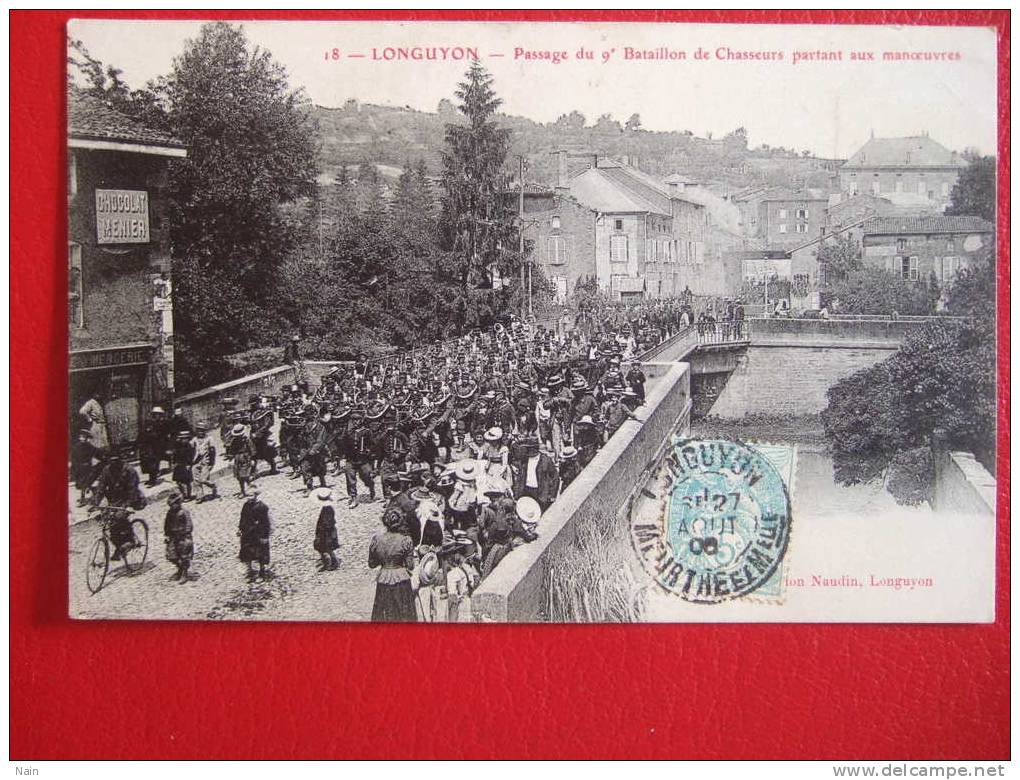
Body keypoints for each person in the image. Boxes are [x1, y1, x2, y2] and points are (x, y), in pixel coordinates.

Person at [91, 453, 146, 560]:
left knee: (120, 517)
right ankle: (119, 546)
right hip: (114, 500)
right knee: (107, 521)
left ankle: (131, 540)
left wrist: (127, 505)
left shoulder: (130, 471)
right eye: (111, 461)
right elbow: (101, 487)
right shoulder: (107, 470)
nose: (113, 463)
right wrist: (95, 504)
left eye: (116, 461)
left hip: (130, 498)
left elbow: (132, 489)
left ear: (121, 460)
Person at [368, 508, 417, 622]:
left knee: (383, 613)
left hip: (383, 579)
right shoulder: (406, 540)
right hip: (401, 579)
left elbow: (371, 564)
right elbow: (410, 566)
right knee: (404, 615)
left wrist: (384, 559)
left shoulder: (376, 539)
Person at [238, 488, 272, 581]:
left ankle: (262, 571)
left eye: (251, 495)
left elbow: (266, 523)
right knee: (247, 550)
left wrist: (265, 536)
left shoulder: (262, 507)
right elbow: (242, 518)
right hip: (247, 533)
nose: (249, 498)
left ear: (256, 495)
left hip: (258, 533)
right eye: (247, 496)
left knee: (260, 552)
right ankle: (249, 569)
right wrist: (240, 529)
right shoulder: (246, 505)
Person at [163, 490, 194, 583]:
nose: (172, 507)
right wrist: (167, 534)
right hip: (173, 537)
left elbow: (189, 525)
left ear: (179, 503)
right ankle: (179, 568)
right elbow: (167, 524)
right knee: (172, 555)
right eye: (171, 505)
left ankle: (184, 573)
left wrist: (185, 534)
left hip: (183, 537)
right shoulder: (170, 513)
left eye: (174, 505)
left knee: (184, 556)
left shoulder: (184, 512)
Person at [70, 428, 100, 506]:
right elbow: (73, 458)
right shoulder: (76, 447)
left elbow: (97, 453)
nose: (82, 438)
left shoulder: (89, 446)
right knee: (84, 484)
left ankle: (86, 499)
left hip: (88, 468)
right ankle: (94, 495)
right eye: (81, 437)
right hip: (80, 468)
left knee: (87, 483)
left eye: (84, 437)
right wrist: (74, 469)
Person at [313, 488, 340, 571]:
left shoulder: (328, 509)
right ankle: (326, 560)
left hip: (327, 532)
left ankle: (334, 562)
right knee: (321, 546)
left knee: (328, 548)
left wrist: (323, 529)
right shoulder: (326, 508)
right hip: (324, 531)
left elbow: (328, 523)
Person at [226, 424, 256, 497]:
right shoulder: (234, 441)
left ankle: (247, 487)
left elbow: (252, 450)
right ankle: (244, 488)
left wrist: (252, 459)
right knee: (239, 477)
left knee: (244, 475)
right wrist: (230, 459)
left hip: (246, 458)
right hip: (237, 459)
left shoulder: (247, 440)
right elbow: (231, 451)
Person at [191, 423, 218, 502]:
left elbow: (213, 451)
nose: (200, 432)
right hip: (196, 462)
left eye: (202, 430)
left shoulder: (209, 439)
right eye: (199, 430)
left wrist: (212, 463)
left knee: (203, 479)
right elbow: (189, 449)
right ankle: (200, 496)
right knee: (196, 480)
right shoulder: (194, 439)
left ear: (205, 431)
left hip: (206, 462)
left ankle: (213, 485)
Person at [171, 430, 195, 501]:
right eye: (182, 438)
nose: (184, 440)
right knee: (179, 481)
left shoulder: (189, 447)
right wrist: (174, 463)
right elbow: (175, 455)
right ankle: (183, 494)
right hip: (178, 466)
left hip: (186, 465)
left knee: (187, 482)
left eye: (186, 438)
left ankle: (188, 496)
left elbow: (191, 457)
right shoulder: (178, 446)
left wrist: (189, 464)